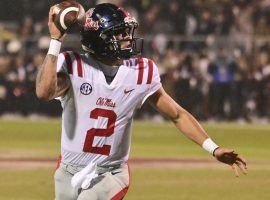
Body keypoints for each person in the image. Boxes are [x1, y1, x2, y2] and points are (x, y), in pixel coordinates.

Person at [36, 3, 247, 200]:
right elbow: (44, 92)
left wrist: (213, 148)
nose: (127, 37)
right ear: (99, 38)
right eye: (119, 33)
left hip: (110, 173)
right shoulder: (74, 65)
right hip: (68, 168)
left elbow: (177, 114)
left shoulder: (140, 72)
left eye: (127, 31)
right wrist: (55, 41)